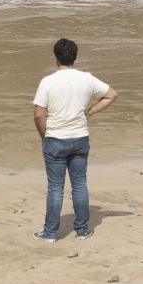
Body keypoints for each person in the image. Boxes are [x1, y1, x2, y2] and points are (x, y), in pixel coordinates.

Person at [32, 38, 118, 242]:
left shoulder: (48, 81)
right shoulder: (86, 78)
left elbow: (38, 115)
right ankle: (82, 229)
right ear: (75, 56)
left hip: (55, 138)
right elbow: (112, 95)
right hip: (79, 137)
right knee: (79, 184)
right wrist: (91, 111)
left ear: (56, 56)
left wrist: (44, 136)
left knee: (55, 187)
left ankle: (50, 232)